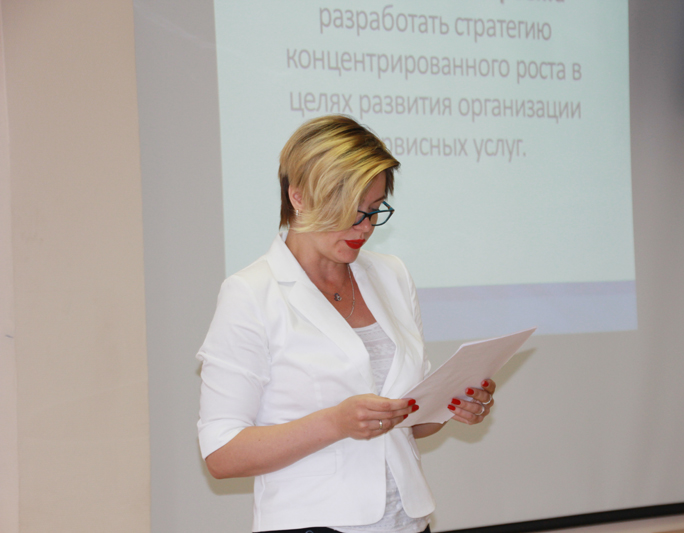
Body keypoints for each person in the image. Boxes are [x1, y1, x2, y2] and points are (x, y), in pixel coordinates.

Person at [197, 115, 496, 533]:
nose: (366, 227)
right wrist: (335, 423)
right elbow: (221, 454)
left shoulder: (392, 275)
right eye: (352, 212)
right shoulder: (251, 293)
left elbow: (407, 424)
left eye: (374, 210)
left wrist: (450, 404)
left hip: (409, 523)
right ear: (299, 197)